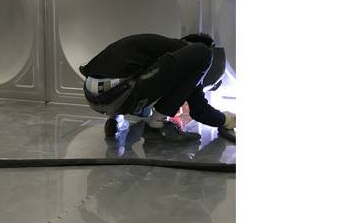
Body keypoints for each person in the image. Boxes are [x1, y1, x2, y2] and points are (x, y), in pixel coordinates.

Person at [80, 32, 236, 142]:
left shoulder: (154, 47)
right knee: (204, 53)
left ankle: (114, 120)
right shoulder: (194, 54)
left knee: (133, 78)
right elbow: (199, 110)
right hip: (119, 93)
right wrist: (225, 120)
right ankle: (157, 124)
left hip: (93, 95)